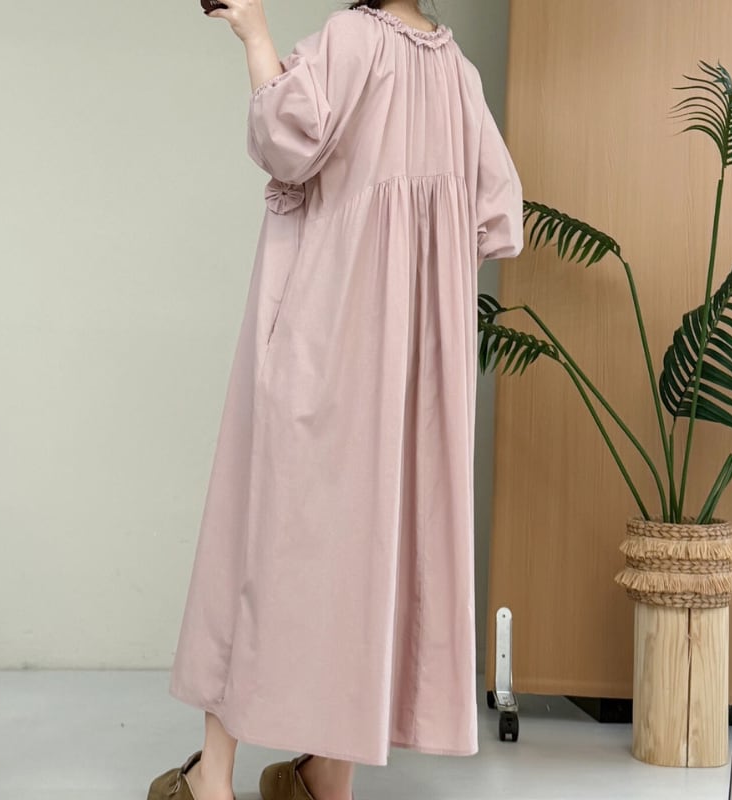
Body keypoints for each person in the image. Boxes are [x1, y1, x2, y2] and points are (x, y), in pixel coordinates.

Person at [148, 1, 523, 799]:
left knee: (258, 540)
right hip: (411, 384)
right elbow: (496, 217)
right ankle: (326, 778)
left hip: (322, 344)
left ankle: (213, 779)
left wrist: (253, 33)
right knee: (369, 555)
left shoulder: (351, 40)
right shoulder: (460, 77)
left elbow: (286, 141)